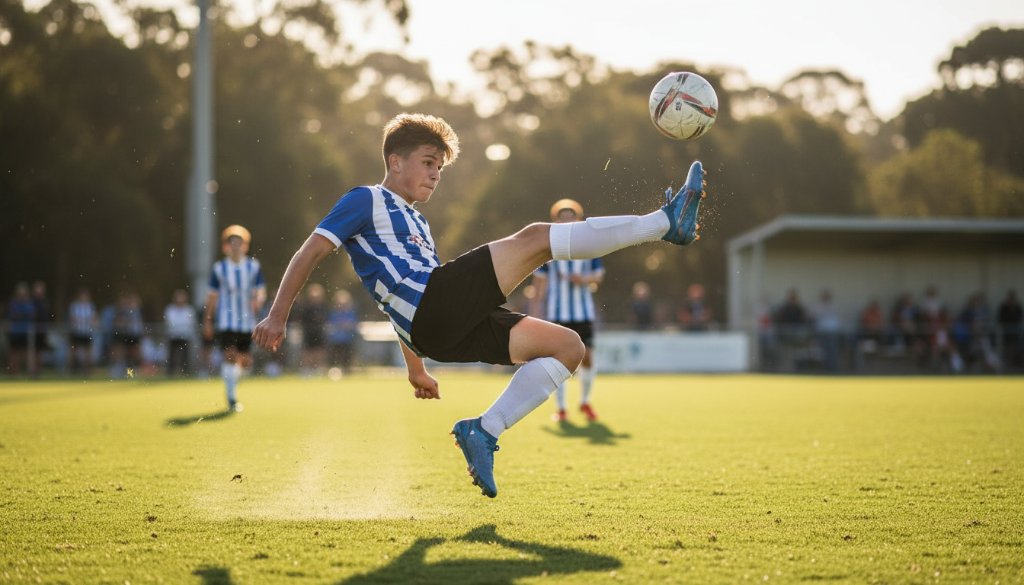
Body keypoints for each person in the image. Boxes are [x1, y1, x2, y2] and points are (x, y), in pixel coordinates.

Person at [253, 113, 708, 498]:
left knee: (568, 348)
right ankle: (663, 223)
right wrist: (278, 314)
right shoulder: (365, 199)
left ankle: (484, 431)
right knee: (534, 238)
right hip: (434, 309)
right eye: (428, 163)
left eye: (439, 168)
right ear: (395, 161)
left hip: (436, 327)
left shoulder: (417, 222)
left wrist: (415, 368)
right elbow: (309, 251)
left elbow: (400, 304)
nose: (435, 174)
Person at [531, 198, 605, 422]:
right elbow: (539, 283)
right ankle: (561, 408)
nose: (567, 220)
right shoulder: (548, 249)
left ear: (578, 219)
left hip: (582, 313)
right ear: (556, 220)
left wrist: (581, 279)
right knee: (559, 362)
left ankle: (584, 402)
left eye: (570, 216)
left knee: (588, 358)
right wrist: (534, 312)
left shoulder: (589, 246)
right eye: (562, 217)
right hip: (557, 313)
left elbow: (598, 277)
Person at [203, 225, 266, 411]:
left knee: (245, 362)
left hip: (247, 321)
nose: (236, 246)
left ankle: (232, 382)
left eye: (240, 243)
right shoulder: (219, 268)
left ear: (245, 246)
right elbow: (212, 296)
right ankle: (231, 397)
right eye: (232, 243)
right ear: (226, 247)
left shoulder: (253, 267)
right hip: (226, 320)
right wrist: (208, 320)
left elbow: (260, 291)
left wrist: (258, 301)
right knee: (230, 356)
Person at [297, 283, 329, 376]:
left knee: (319, 352)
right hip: (308, 332)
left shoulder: (323, 307)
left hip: (319, 332)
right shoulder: (305, 308)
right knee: (308, 352)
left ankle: (319, 370)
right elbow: (302, 321)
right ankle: (306, 371)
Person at [5, 282, 36, 375]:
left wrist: (21, 315)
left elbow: (31, 314)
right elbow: (14, 315)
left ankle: (29, 372)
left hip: (25, 332)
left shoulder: (28, 303)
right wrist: (23, 315)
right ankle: (13, 371)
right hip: (14, 332)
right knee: (13, 353)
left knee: (25, 353)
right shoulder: (13, 303)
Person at [326, 289, 359, 373]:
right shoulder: (333, 313)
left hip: (348, 340)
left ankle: (347, 372)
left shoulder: (351, 313)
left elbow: (353, 325)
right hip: (335, 341)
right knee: (335, 360)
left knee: (347, 360)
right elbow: (331, 326)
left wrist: (344, 325)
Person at [164, 289, 196, 376]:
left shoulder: (189, 309)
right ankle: (170, 372)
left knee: (185, 356)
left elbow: (190, 323)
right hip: (173, 336)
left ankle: (185, 372)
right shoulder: (170, 309)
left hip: (185, 336)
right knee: (171, 356)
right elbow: (170, 322)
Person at [68, 287, 98, 375]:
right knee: (73, 352)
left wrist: (91, 322)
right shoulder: (75, 306)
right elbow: (72, 319)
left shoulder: (90, 306)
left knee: (87, 353)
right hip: (76, 332)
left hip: (87, 332)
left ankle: (87, 371)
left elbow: (94, 318)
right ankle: (72, 370)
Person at [996, 289, 1022, 369]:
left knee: (1016, 349)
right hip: (1006, 333)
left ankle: (1016, 365)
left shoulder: (1018, 308)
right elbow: (1000, 318)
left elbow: (1020, 318)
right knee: (1006, 350)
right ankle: (1005, 366)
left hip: (1016, 333)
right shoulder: (1003, 308)